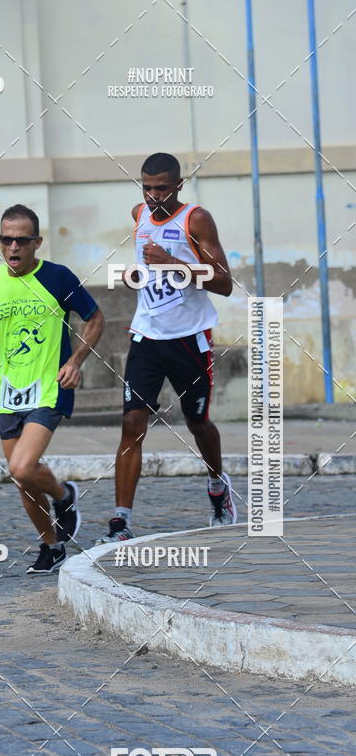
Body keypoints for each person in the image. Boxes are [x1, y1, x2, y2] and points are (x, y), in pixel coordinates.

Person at [0, 204, 104, 574]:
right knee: (22, 479)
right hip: (8, 393)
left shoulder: (58, 277)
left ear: (37, 242)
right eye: (6, 239)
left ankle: (64, 495)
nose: (13, 247)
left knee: (22, 466)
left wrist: (75, 361)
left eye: (21, 240)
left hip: (49, 387)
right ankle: (52, 546)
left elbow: (95, 319)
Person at [97, 152, 237, 543]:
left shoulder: (196, 219)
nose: (153, 195)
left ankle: (217, 486)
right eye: (147, 187)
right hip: (146, 335)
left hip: (189, 339)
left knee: (197, 423)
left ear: (178, 185)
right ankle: (121, 521)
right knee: (132, 422)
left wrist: (171, 261)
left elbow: (224, 282)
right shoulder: (138, 214)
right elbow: (149, 269)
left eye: (161, 188)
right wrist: (138, 275)